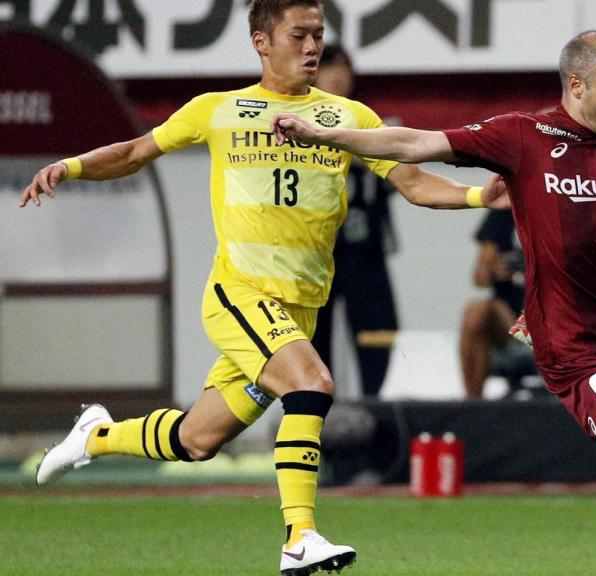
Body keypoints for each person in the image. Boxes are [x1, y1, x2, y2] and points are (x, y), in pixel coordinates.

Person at [20, 2, 503, 575]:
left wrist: (480, 196)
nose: (312, 47)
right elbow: (132, 153)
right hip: (241, 296)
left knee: (198, 439)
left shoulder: (347, 117)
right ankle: (300, 536)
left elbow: (416, 183)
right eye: (298, 35)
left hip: (298, 311)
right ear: (261, 41)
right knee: (312, 384)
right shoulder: (217, 110)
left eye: (318, 35)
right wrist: (71, 166)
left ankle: (96, 437)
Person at [274, 30, 596, 576]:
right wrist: (322, 135)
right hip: (578, 349)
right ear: (576, 85)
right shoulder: (522, 136)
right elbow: (415, 144)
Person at [310, 44, 398, 398]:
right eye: (329, 67)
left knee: (377, 335)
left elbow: (399, 177)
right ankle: (313, 413)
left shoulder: (370, 122)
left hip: (366, 250)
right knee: (313, 339)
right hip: (317, 252)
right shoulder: (298, 122)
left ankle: (379, 413)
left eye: (344, 67)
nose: (337, 75)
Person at [460, 209, 535, 398]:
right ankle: (473, 404)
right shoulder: (504, 212)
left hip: (553, 319)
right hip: (514, 323)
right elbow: (479, 277)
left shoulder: (562, 209)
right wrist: (495, 270)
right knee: (475, 310)